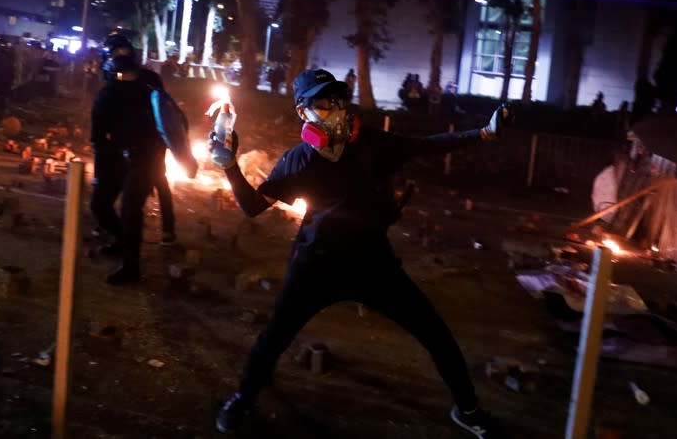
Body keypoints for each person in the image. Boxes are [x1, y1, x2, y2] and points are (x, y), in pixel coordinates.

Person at [211, 69, 509, 437]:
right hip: (315, 265)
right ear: (303, 113)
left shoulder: (372, 145)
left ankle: (467, 410)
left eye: (337, 100)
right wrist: (229, 166)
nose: (334, 109)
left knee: (435, 332)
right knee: (274, 337)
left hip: (374, 265)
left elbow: (425, 144)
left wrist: (484, 132)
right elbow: (254, 207)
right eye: (322, 102)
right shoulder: (298, 160)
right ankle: (244, 396)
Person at [90, 32, 178, 285]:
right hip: (117, 155)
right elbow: (98, 137)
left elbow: (168, 117)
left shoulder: (150, 82)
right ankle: (122, 240)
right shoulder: (106, 93)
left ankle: (131, 265)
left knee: (130, 208)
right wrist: (102, 173)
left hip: (146, 156)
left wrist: (163, 152)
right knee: (99, 205)